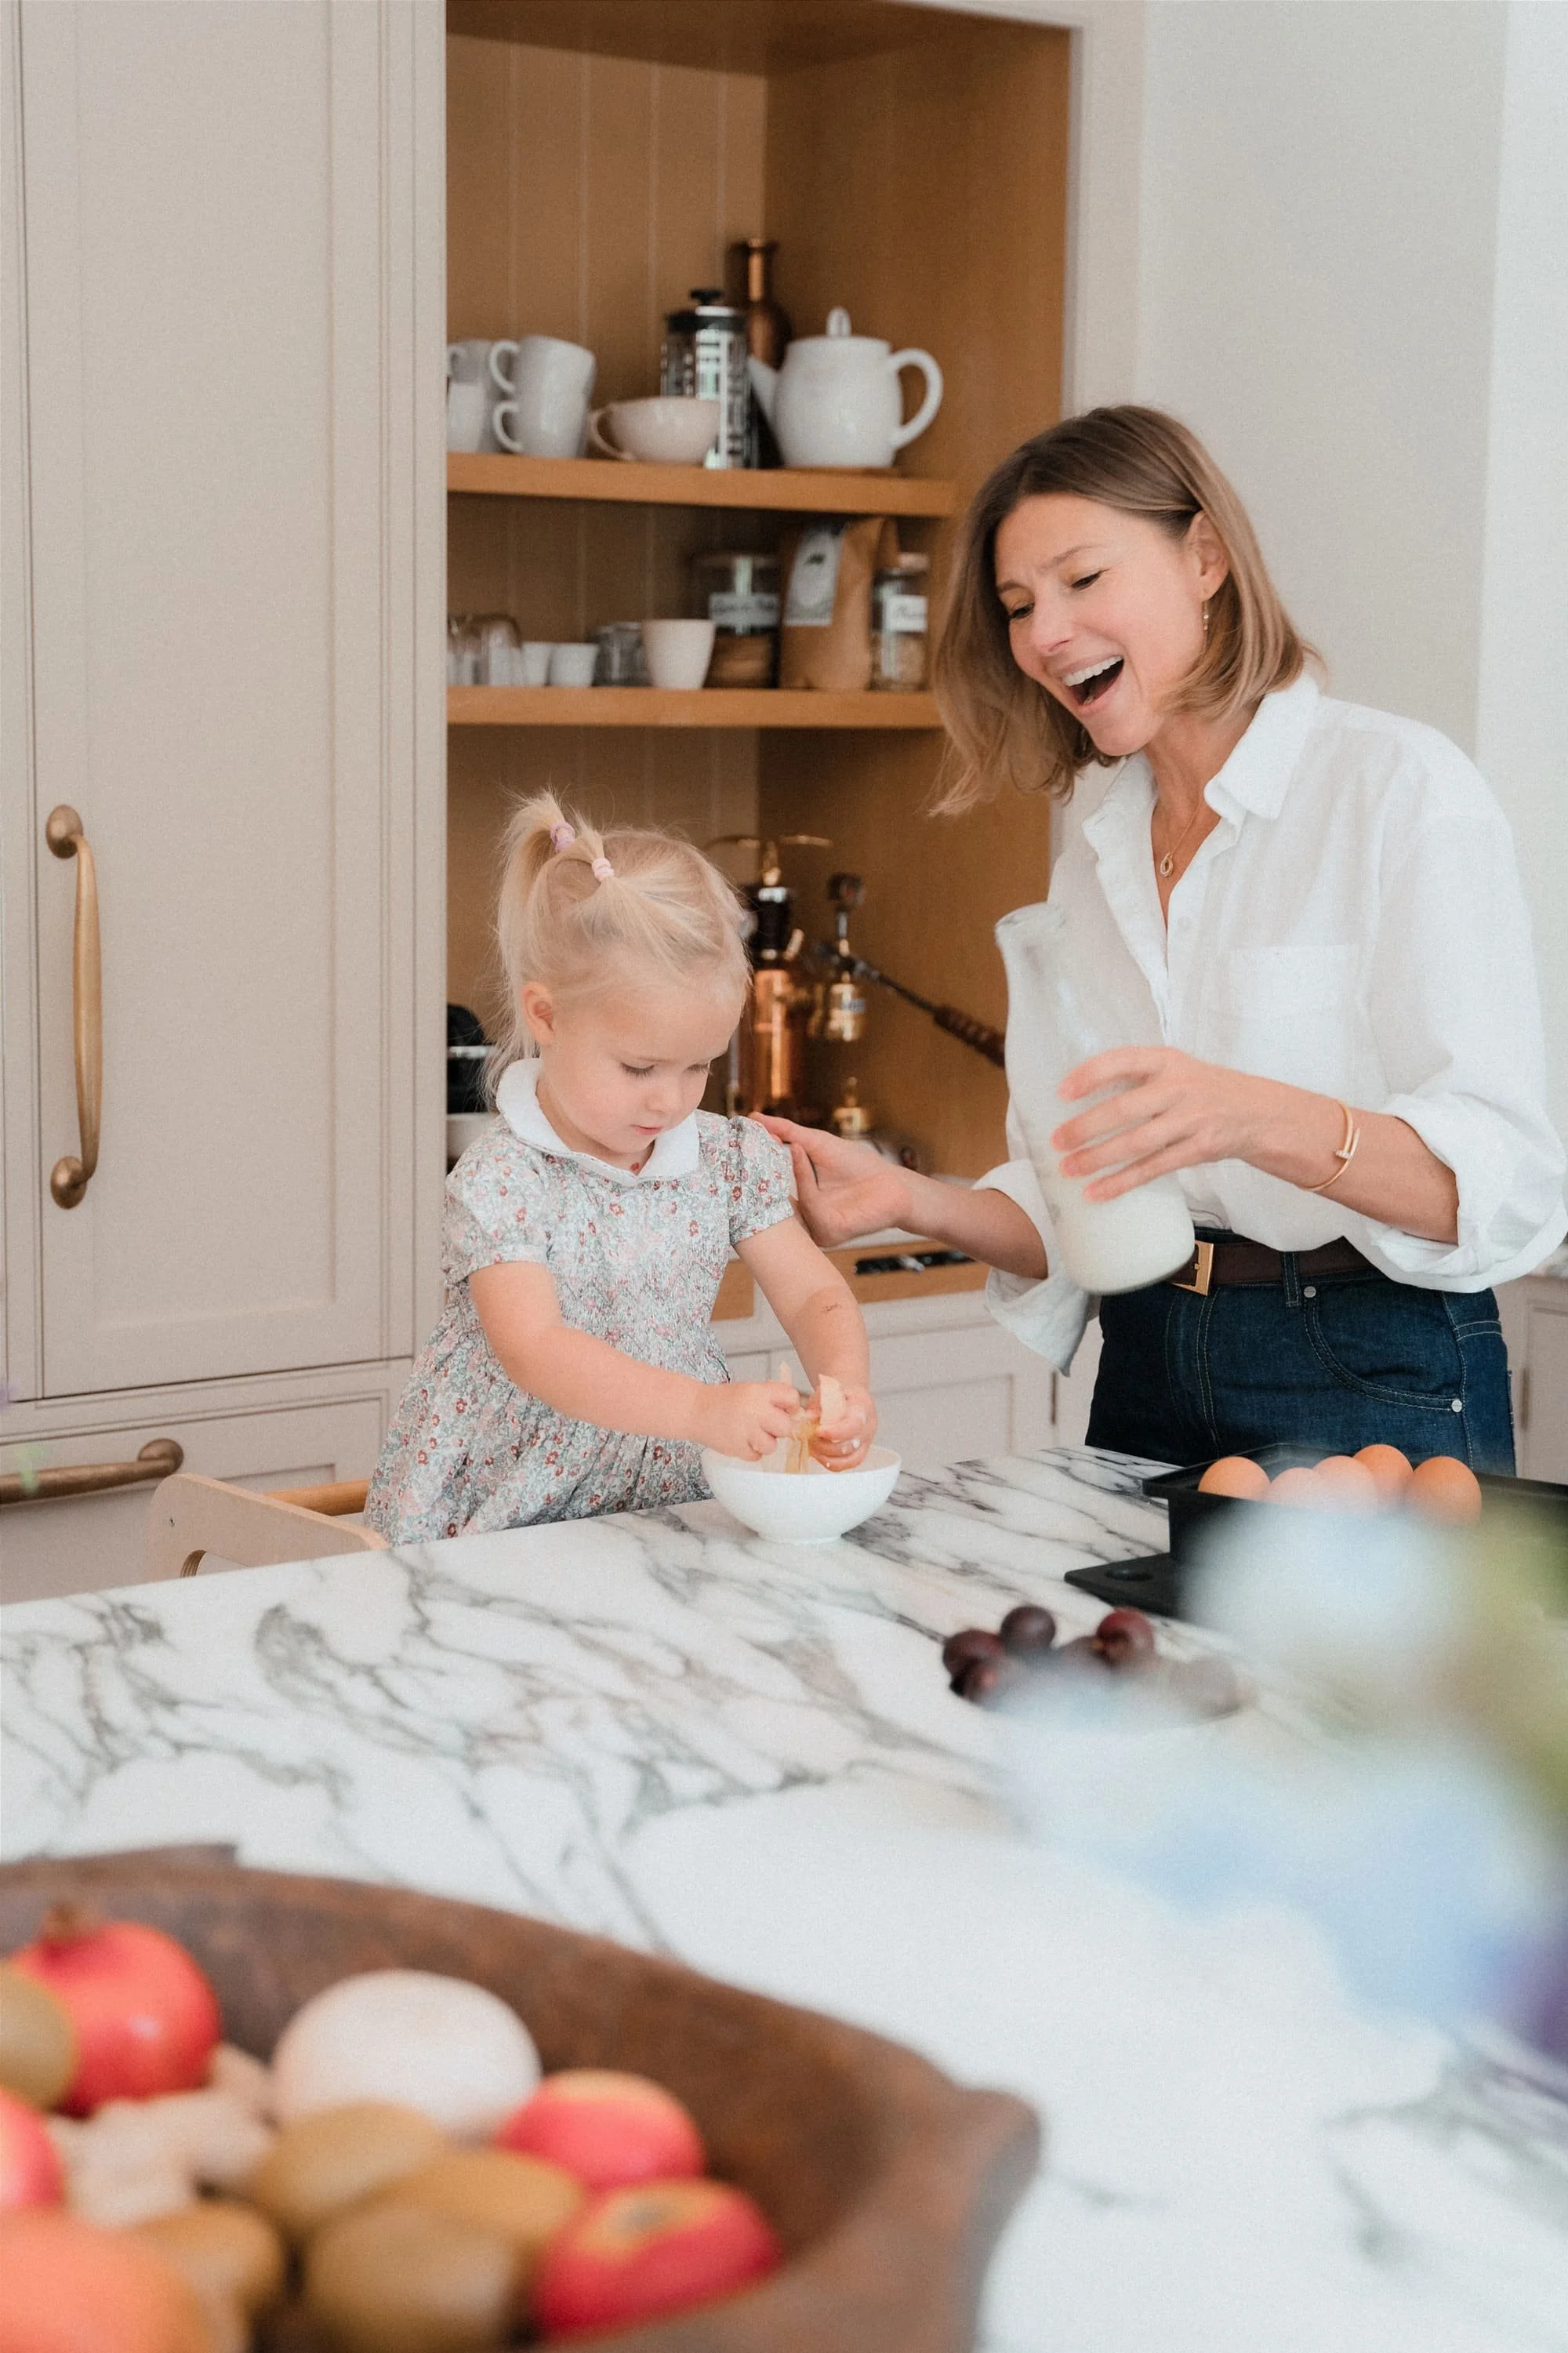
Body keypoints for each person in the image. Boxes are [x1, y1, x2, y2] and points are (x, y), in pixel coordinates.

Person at [762, 406, 1565, 1473]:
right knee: (1112, 1651)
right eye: (1018, 605)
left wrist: (1250, 1116)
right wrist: (907, 1200)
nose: (1045, 633)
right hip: (1146, 1357)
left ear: (1205, 558)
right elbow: (1084, 1202)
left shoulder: (1397, 791)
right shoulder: (1091, 862)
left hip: (1364, 1363)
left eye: (1082, 580)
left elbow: (1506, 1189)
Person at [367, 797, 876, 1542]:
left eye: (699, 1065)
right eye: (640, 1066)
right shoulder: (505, 1178)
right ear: (547, 1016)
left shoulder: (725, 1160)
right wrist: (702, 1409)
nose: (670, 1099)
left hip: (664, 1497)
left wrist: (846, 1389)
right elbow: (537, 1348)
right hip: (512, 1516)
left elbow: (814, 1298)